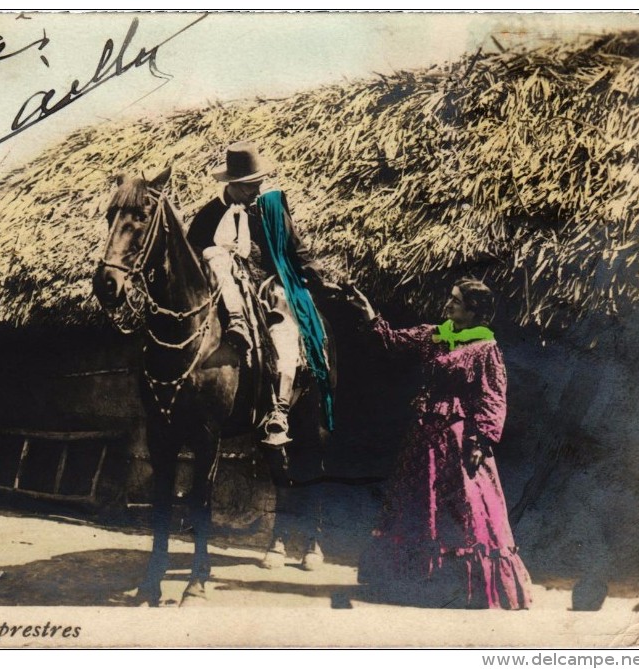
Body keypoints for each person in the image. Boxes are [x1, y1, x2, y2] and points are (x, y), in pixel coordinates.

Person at [346, 278, 533, 609]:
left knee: (462, 510)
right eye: (449, 298)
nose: (447, 305)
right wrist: (366, 310)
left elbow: (492, 396)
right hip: (424, 441)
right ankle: (414, 583)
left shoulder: (485, 348)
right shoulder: (435, 334)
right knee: (419, 506)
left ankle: (457, 586)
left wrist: (482, 440)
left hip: (459, 440)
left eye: (456, 302)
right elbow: (390, 340)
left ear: (473, 311)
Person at [186, 141, 337, 444]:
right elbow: (191, 258)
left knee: (285, 323)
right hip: (221, 291)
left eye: (258, 183)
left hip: (267, 285)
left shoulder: (270, 207)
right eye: (248, 186)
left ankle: (279, 410)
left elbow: (295, 248)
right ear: (231, 184)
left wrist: (317, 279)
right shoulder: (208, 216)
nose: (256, 190)